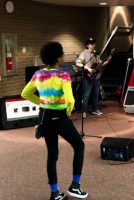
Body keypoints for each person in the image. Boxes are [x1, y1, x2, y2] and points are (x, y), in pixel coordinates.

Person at [21, 42, 88, 200]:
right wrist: (67, 110)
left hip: (44, 117)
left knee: (52, 155)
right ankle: (75, 187)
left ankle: (55, 193)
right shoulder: (63, 75)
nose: (63, 57)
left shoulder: (38, 74)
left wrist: (42, 103)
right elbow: (70, 100)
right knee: (79, 146)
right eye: (62, 54)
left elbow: (25, 93)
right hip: (59, 118)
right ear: (58, 58)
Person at [76, 38, 103, 118]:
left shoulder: (97, 54)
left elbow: (99, 64)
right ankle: (83, 111)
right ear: (87, 45)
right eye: (91, 43)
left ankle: (95, 109)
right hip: (88, 77)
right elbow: (78, 63)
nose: (93, 45)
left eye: (93, 43)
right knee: (86, 95)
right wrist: (87, 68)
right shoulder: (84, 53)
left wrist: (105, 62)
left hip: (96, 77)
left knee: (96, 94)